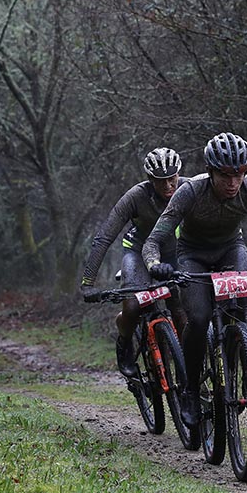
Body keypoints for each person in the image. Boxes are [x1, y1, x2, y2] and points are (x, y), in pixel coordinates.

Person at [142, 132, 247, 426]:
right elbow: (153, 242)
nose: (233, 183)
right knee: (200, 315)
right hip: (192, 254)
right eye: (225, 175)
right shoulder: (190, 191)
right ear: (211, 171)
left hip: (231, 249)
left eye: (239, 174)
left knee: (245, 301)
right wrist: (155, 265)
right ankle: (190, 389)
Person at [81, 147, 188, 380]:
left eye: (173, 178)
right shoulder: (136, 196)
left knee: (182, 308)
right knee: (133, 306)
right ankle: (124, 342)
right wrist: (88, 282)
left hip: (175, 252)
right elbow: (104, 238)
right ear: (150, 179)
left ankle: (188, 366)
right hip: (137, 252)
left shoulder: (189, 188)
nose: (169, 185)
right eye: (161, 181)